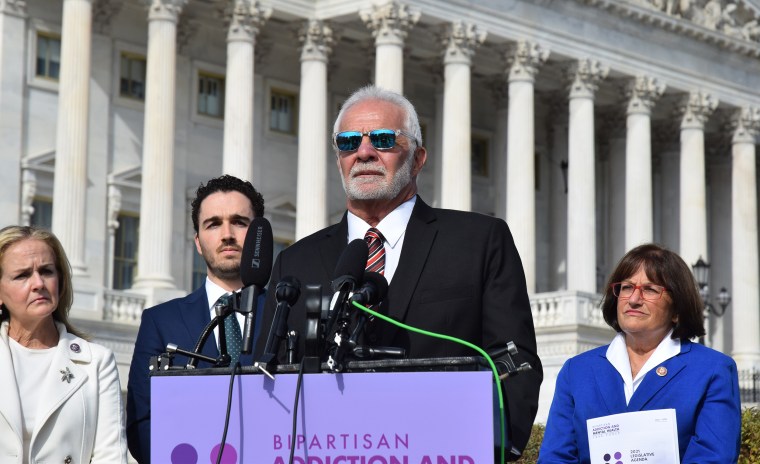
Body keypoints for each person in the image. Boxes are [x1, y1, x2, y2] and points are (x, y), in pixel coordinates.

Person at [254, 85, 543, 459]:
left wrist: (485, 449)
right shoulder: (295, 261)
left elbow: (515, 363)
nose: (364, 152)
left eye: (384, 139)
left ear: (418, 158)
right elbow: (266, 377)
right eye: (347, 143)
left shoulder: (479, 241)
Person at [538, 243, 741, 463]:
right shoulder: (577, 371)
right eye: (626, 287)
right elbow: (556, 456)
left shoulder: (712, 370)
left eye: (650, 289)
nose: (634, 299)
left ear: (676, 309)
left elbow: (712, 457)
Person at [126, 174, 266, 463]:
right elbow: (143, 422)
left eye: (239, 222)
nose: (227, 234)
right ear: (199, 242)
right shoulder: (160, 322)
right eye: (213, 224)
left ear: (259, 237)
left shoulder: (289, 313)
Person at [0, 225, 128, 463]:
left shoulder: (97, 362)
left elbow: (110, 456)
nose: (38, 283)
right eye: (22, 275)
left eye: (47, 271)